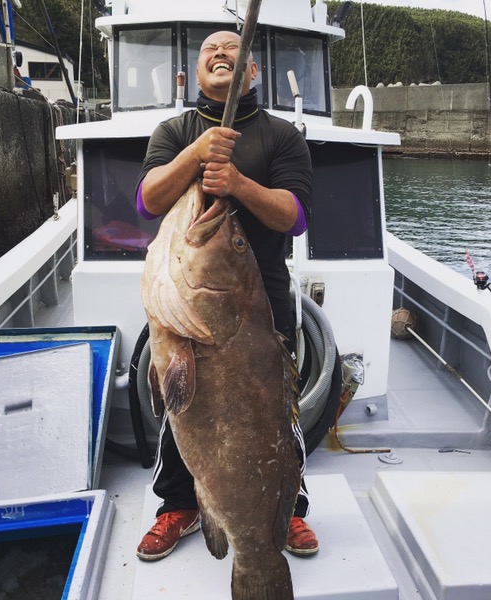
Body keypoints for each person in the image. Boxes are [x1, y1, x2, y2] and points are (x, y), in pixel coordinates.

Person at [134, 30, 318, 561]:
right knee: (179, 405)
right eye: (210, 50)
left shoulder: (282, 136)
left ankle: (289, 510)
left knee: (275, 412)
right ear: (195, 72)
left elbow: (296, 216)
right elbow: (148, 200)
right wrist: (196, 153)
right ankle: (178, 505)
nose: (221, 54)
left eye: (233, 49)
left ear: (252, 70)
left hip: (261, 305)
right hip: (189, 298)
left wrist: (236, 183)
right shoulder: (175, 131)